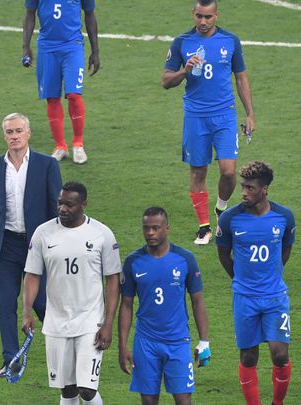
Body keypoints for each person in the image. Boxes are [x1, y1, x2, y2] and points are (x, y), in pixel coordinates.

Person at [0, 113, 62, 377]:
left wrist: (57, 243)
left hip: (38, 245)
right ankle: (10, 358)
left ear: (28, 133)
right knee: (5, 303)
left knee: (43, 304)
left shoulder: (46, 165)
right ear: (4, 136)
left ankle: (63, 348)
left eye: (18, 131)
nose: (14, 136)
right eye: (9, 132)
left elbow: (58, 208)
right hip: (7, 243)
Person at [162, 0, 255, 245]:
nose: (203, 22)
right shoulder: (182, 42)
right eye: (199, 16)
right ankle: (204, 227)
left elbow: (241, 78)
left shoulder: (230, 40)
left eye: (208, 17)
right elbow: (166, 80)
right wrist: (184, 70)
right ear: (193, 14)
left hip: (225, 115)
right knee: (198, 170)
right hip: (195, 117)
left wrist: (250, 115)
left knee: (229, 171)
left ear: (216, 15)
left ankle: (220, 211)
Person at [23, 181, 120, 405]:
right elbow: (32, 275)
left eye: (69, 204)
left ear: (84, 205)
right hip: (56, 322)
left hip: (90, 321)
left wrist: (108, 323)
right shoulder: (43, 233)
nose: (63, 209)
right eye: (60, 203)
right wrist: (26, 311)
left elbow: (113, 279)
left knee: (86, 389)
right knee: (67, 389)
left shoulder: (101, 234)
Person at [216, 161, 295, 405]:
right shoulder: (230, 219)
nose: (244, 193)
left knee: (280, 354)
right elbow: (223, 255)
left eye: (250, 188)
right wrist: (241, 279)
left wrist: (271, 276)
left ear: (265, 189)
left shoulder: (283, 217)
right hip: (245, 298)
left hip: (274, 297)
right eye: (243, 187)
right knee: (249, 357)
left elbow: (285, 251)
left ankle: (277, 403)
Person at [118, 207, 211, 405]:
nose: (150, 233)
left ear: (167, 229)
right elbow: (125, 305)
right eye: (146, 228)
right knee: (149, 401)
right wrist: (122, 345)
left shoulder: (185, 259)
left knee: (184, 400)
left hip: (178, 342)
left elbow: (198, 300)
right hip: (145, 343)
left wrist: (204, 341)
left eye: (155, 228)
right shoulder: (133, 262)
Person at [22, 0, 99, 164]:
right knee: (52, 97)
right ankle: (60, 147)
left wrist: (95, 52)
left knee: (73, 95)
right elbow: (30, 14)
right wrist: (26, 46)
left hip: (73, 46)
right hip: (46, 48)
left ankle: (78, 144)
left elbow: (90, 15)